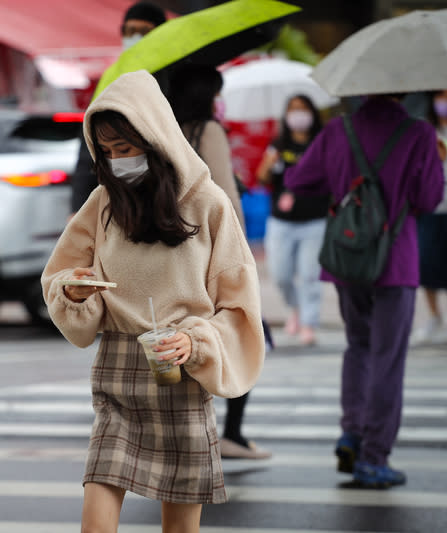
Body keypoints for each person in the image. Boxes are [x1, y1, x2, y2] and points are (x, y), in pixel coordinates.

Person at [41, 70, 265, 531]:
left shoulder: (208, 204)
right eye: (106, 152)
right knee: (97, 505)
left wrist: (197, 342)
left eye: (125, 148)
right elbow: (59, 274)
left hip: (178, 372)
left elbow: (239, 304)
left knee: (179, 525)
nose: (117, 161)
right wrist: (75, 289)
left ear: (155, 136)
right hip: (118, 369)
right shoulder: (104, 202)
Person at [285, 93, 444, 488]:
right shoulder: (420, 132)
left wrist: (343, 177)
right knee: (387, 356)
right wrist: (432, 161)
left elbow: (300, 180)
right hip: (396, 259)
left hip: (348, 255)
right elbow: (428, 198)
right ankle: (374, 456)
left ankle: (351, 432)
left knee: (358, 346)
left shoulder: (339, 129)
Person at [168, 64, 271, 461]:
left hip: (176, 252)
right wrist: (243, 257)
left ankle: (189, 431)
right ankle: (232, 433)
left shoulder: (163, 130)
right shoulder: (207, 131)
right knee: (240, 336)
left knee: (187, 340)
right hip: (213, 251)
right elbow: (226, 198)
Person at [69, 2, 167, 214]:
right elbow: (88, 148)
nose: (135, 37)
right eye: (129, 31)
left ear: (160, 33)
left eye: (143, 31)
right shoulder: (113, 76)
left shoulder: (173, 77)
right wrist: (77, 206)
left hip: (164, 193)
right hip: (119, 195)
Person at [256, 94, 327, 346]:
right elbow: (262, 177)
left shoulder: (321, 143)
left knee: (310, 274)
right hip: (281, 221)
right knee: (281, 275)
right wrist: (268, 163)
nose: (298, 115)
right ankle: (294, 307)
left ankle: (309, 323)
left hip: (315, 220)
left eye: (303, 109)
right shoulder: (278, 144)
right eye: (293, 110)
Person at [411, 89, 447, 346]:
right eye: (442, 97)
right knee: (427, 264)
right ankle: (434, 316)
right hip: (431, 209)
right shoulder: (425, 130)